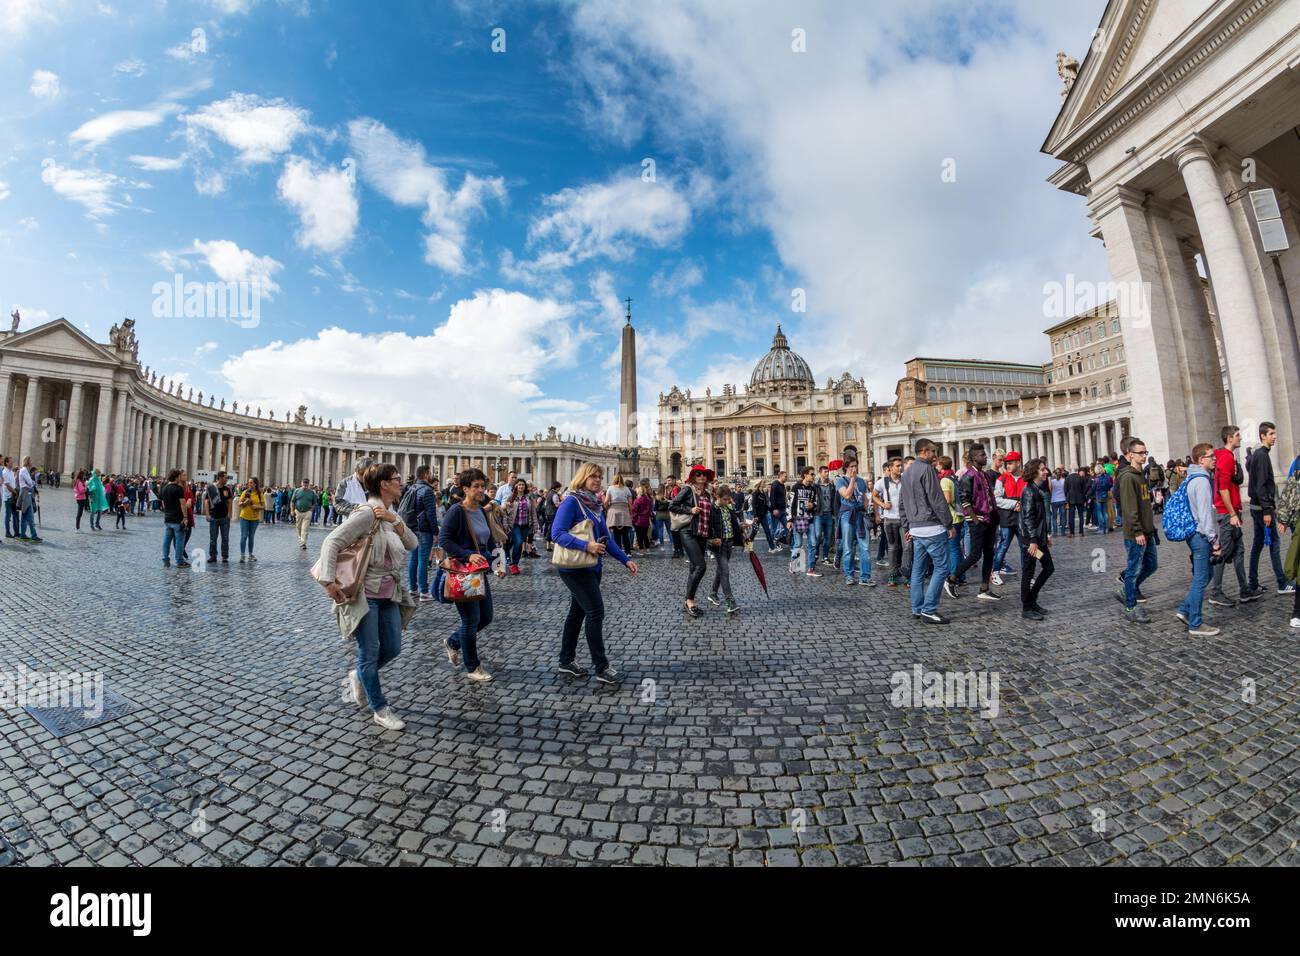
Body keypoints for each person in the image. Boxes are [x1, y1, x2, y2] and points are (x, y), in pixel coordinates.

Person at [318, 462, 418, 732]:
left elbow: (413, 543)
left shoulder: (389, 512)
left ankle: (360, 674)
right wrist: (329, 583)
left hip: (390, 593)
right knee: (369, 650)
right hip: (365, 594)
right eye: (397, 479)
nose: (401, 483)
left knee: (393, 647)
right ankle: (380, 708)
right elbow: (332, 542)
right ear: (384, 484)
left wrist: (393, 519)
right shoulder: (364, 513)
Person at [550, 461, 636, 682]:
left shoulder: (596, 505)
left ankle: (566, 661)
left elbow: (605, 538)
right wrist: (585, 546)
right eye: (593, 476)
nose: (597, 480)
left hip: (591, 566)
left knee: (576, 613)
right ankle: (601, 667)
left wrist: (625, 560)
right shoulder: (572, 501)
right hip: (575, 567)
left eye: (599, 476)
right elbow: (556, 533)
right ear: (583, 478)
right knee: (595, 612)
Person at [438, 468, 497, 682]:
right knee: (471, 620)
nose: (481, 490)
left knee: (486, 617)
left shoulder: (481, 510)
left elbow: (488, 539)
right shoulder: (457, 510)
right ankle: (473, 667)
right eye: (476, 487)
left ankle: (453, 642)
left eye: (483, 486)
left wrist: (498, 561)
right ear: (465, 489)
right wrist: (468, 555)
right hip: (463, 572)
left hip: (479, 572)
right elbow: (444, 540)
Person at [899, 439, 953, 624]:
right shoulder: (927, 469)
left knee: (918, 570)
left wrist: (907, 526)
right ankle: (929, 609)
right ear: (924, 451)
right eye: (933, 451)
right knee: (942, 567)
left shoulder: (906, 473)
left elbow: (901, 504)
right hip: (932, 527)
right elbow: (937, 499)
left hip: (916, 527)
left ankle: (917, 608)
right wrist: (949, 523)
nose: (935, 455)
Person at [1177, 444, 1222, 637]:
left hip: (1193, 533)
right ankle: (1195, 623)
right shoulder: (1202, 481)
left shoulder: (1191, 478)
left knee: (1206, 574)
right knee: (1201, 578)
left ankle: (1185, 609)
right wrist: (1215, 541)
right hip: (1201, 534)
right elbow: (1205, 515)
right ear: (1201, 460)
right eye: (1211, 456)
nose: (1214, 459)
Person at [946, 444, 1000, 602]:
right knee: (975, 555)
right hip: (978, 521)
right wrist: (975, 520)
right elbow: (965, 501)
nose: (986, 457)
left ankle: (984, 588)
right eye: (983, 455)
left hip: (990, 520)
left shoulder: (985, 475)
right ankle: (951, 579)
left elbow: (990, 497)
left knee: (989, 553)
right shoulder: (967, 476)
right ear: (974, 458)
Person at [1246, 421, 1293, 597]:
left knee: (1258, 544)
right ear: (1262, 436)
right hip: (1261, 508)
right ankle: (1281, 582)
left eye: (1274, 433)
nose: (1274, 437)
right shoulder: (1262, 455)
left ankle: (1253, 582)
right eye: (1271, 434)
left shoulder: (1259, 454)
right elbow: (1261, 485)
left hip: (1256, 506)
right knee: (1274, 543)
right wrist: (1267, 510)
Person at [1209, 425, 1251, 607]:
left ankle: (1245, 589)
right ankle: (1216, 592)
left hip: (1232, 511)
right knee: (1224, 552)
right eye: (1237, 435)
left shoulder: (1226, 456)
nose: (1240, 438)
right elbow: (1223, 488)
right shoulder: (1225, 458)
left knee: (1239, 550)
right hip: (1228, 513)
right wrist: (1233, 513)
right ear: (1229, 438)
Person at [1117, 437, 1158, 623]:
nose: (1144, 456)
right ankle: (1130, 606)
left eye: (1145, 452)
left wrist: (1151, 528)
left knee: (1151, 565)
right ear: (1131, 455)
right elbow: (1129, 507)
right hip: (1136, 533)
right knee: (1133, 570)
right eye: (1141, 453)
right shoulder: (1127, 477)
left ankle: (1127, 590)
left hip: (1147, 530)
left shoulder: (1141, 475)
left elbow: (1144, 505)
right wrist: (1137, 530)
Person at [670, 464, 715, 618]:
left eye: (704, 475)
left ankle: (688, 601)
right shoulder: (687, 490)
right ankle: (690, 600)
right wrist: (690, 510)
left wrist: (713, 535)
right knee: (701, 566)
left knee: (694, 568)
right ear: (693, 477)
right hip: (688, 531)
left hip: (702, 533)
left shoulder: (708, 494)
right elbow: (673, 505)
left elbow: (710, 517)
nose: (702, 477)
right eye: (698, 474)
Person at [1017, 458, 1054, 620]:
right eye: (1043, 469)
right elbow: (1028, 518)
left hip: (1038, 540)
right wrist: (1032, 540)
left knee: (1048, 567)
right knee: (1028, 571)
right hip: (1031, 542)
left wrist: (1044, 535)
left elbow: (1039, 518)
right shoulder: (1029, 492)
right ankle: (1026, 607)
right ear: (1034, 473)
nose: (1046, 472)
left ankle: (1032, 600)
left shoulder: (1037, 489)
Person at [706, 483, 745, 613]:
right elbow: (707, 528)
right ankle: (730, 601)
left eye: (728, 499)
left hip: (729, 542)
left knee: (721, 569)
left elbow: (732, 525)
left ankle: (713, 593)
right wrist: (711, 540)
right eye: (725, 499)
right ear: (717, 496)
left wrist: (741, 526)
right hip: (718, 545)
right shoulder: (711, 509)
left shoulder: (728, 508)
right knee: (725, 571)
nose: (728, 501)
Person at [836, 459, 874, 586]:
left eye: (856, 466)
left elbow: (864, 498)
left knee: (865, 547)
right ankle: (849, 575)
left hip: (860, 515)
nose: (854, 469)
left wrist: (864, 510)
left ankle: (865, 577)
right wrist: (852, 480)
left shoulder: (862, 481)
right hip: (847, 515)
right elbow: (846, 495)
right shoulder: (840, 481)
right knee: (848, 547)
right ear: (846, 468)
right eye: (851, 466)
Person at [406, 465, 440, 600]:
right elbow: (431, 514)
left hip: (412, 527)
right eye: (430, 473)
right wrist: (435, 531)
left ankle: (413, 589)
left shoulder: (412, 488)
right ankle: (424, 592)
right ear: (426, 474)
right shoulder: (427, 491)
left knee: (413, 559)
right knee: (423, 560)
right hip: (424, 529)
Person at [991, 451, 1025, 582]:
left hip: (1022, 518)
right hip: (1007, 517)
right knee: (1003, 546)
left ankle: (1026, 574)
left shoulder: (1026, 478)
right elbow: (996, 499)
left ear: (1018, 463)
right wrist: (1014, 503)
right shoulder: (1002, 479)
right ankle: (995, 572)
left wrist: (1022, 504)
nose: (1008, 466)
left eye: (1010, 463)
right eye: (1006, 463)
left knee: (1024, 547)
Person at [872, 458, 904, 587]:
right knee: (893, 548)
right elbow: (874, 496)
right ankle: (892, 574)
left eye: (901, 466)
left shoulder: (905, 480)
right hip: (889, 519)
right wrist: (882, 505)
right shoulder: (882, 482)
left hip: (904, 519)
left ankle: (906, 573)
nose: (900, 468)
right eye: (897, 466)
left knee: (907, 547)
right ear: (890, 468)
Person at [938, 456, 965, 588]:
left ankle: (953, 575)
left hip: (952, 517)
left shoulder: (944, 480)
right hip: (959, 517)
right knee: (958, 549)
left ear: (941, 465)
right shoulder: (954, 477)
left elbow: (947, 500)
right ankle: (962, 575)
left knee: (953, 549)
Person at [502, 478, 535, 575]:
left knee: (516, 543)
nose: (521, 486)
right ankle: (514, 564)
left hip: (526, 525)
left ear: (525, 487)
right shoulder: (511, 497)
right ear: (516, 486)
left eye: (523, 485)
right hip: (515, 524)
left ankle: (509, 554)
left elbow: (533, 512)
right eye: (519, 484)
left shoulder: (529, 498)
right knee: (519, 542)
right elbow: (505, 513)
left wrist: (535, 525)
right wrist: (505, 524)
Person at [160, 469, 189, 568]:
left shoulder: (164, 487)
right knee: (179, 540)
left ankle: (165, 559)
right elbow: (183, 503)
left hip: (168, 518)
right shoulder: (178, 488)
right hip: (177, 518)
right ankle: (179, 561)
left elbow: (163, 503)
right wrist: (185, 517)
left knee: (167, 540)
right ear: (177, 477)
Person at [205, 471, 233, 563]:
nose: (227, 479)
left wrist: (229, 514)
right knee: (213, 538)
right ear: (220, 478)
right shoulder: (211, 488)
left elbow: (229, 502)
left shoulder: (227, 489)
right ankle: (213, 556)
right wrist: (207, 514)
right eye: (225, 477)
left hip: (224, 517)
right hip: (213, 516)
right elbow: (206, 501)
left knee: (225, 538)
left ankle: (225, 556)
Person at [603, 474, 634, 555]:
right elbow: (630, 503)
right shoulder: (626, 489)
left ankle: (618, 551)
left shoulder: (610, 488)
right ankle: (628, 551)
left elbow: (606, 501)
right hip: (624, 510)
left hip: (613, 510)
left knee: (616, 533)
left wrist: (607, 509)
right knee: (625, 533)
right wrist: (631, 512)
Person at [814, 465, 837, 567]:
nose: (827, 473)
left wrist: (834, 512)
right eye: (825, 472)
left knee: (828, 537)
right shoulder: (815, 485)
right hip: (819, 514)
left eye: (828, 472)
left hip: (829, 513)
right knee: (818, 535)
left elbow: (834, 499)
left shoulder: (832, 486)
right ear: (820, 473)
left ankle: (825, 557)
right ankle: (815, 553)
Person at [237, 477, 265, 562]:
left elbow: (263, 506)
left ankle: (250, 554)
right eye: (249, 482)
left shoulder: (260, 494)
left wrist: (256, 506)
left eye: (251, 482)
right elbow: (239, 504)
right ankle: (242, 555)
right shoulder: (245, 492)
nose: (250, 484)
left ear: (255, 484)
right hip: (244, 517)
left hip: (254, 519)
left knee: (251, 537)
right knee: (244, 536)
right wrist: (245, 503)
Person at [290, 478, 317, 551]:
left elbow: (314, 503)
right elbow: (292, 501)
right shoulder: (297, 491)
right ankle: (301, 538)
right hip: (298, 511)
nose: (305, 486)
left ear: (308, 485)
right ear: (301, 483)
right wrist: (292, 510)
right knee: (298, 527)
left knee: (305, 528)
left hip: (307, 512)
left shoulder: (312, 492)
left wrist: (311, 509)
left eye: (306, 485)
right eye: (304, 484)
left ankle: (303, 543)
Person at [749, 479, 775, 552]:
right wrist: (755, 516)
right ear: (759, 484)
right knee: (754, 532)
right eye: (763, 482)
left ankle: (772, 547)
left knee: (767, 531)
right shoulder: (755, 493)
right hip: (757, 516)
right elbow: (753, 505)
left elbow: (765, 505)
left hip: (763, 515)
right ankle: (748, 546)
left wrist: (772, 510)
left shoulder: (763, 492)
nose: (765, 483)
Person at [631, 480, 654, 550]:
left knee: (639, 535)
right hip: (646, 520)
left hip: (638, 520)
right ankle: (647, 547)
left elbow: (634, 511)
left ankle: (641, 548)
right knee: (645, 535)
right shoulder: (648, 500)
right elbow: (650, 509)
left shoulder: (637, 500)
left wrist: (633, 520)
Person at [768, 471, 788, 546]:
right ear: (780, 476)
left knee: (787, 527)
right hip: (776, 510)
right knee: (774, 528)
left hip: (782, 510)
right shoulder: (775, 484)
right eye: (785, 476)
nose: (786, 478)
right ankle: (771, 543)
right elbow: (772, 497)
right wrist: (774, 508)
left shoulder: (783, 485)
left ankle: (788, 542)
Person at [1049, 467, 1067, 537]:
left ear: (1055, 474)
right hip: (1062, 499)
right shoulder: (1064, 480)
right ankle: (1063, 532)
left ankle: (1055, 532)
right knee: (1063, 516)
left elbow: (1050, 490)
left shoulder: (1052, 481)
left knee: (1054, 517)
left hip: (1054, 500)